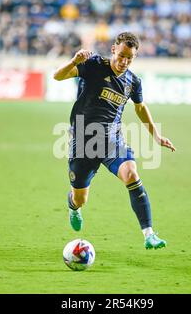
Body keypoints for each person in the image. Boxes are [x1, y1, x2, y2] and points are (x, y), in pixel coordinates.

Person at [53, 32, 175, 249]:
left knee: (131, 174)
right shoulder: (93, 65)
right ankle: (73, 206)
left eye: (130, 58)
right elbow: (57, 76)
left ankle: (149, 235)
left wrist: (156, 135)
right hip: (83, 142)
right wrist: (74, 61)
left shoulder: (133, 82)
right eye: (121, 56)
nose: (124, 62)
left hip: (112, 141)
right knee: (80, 198)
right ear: (113, 50)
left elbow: (140, 107)